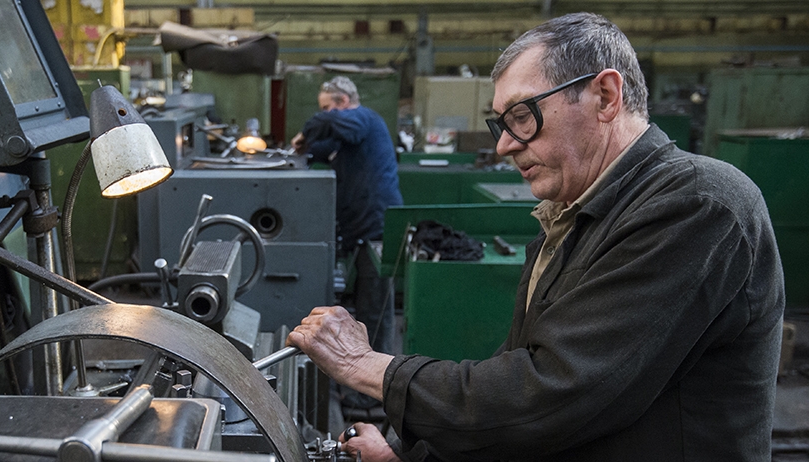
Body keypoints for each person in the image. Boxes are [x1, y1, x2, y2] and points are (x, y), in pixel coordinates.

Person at [287, 12, 785, 462]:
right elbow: (516, 382)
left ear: (605, 97)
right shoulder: (573, 215)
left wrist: (366, 364)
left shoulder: (698, 205)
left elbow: (551, 396)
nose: (505, 145)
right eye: (501, 124)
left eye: (522, 117)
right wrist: (407, 454)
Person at [291, 76, 403, 408]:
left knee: (375, 310)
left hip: (376, 228)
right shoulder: (349, 133)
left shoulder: (363, 119)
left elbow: (332, 126)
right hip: (360, 229)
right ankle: (364, 384)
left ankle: (375, 394)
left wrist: (310, 129)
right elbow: (328, 147)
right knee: (366, 305)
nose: (325, 113)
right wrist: (307, 148)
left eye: (328, 107)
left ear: (342, 102)